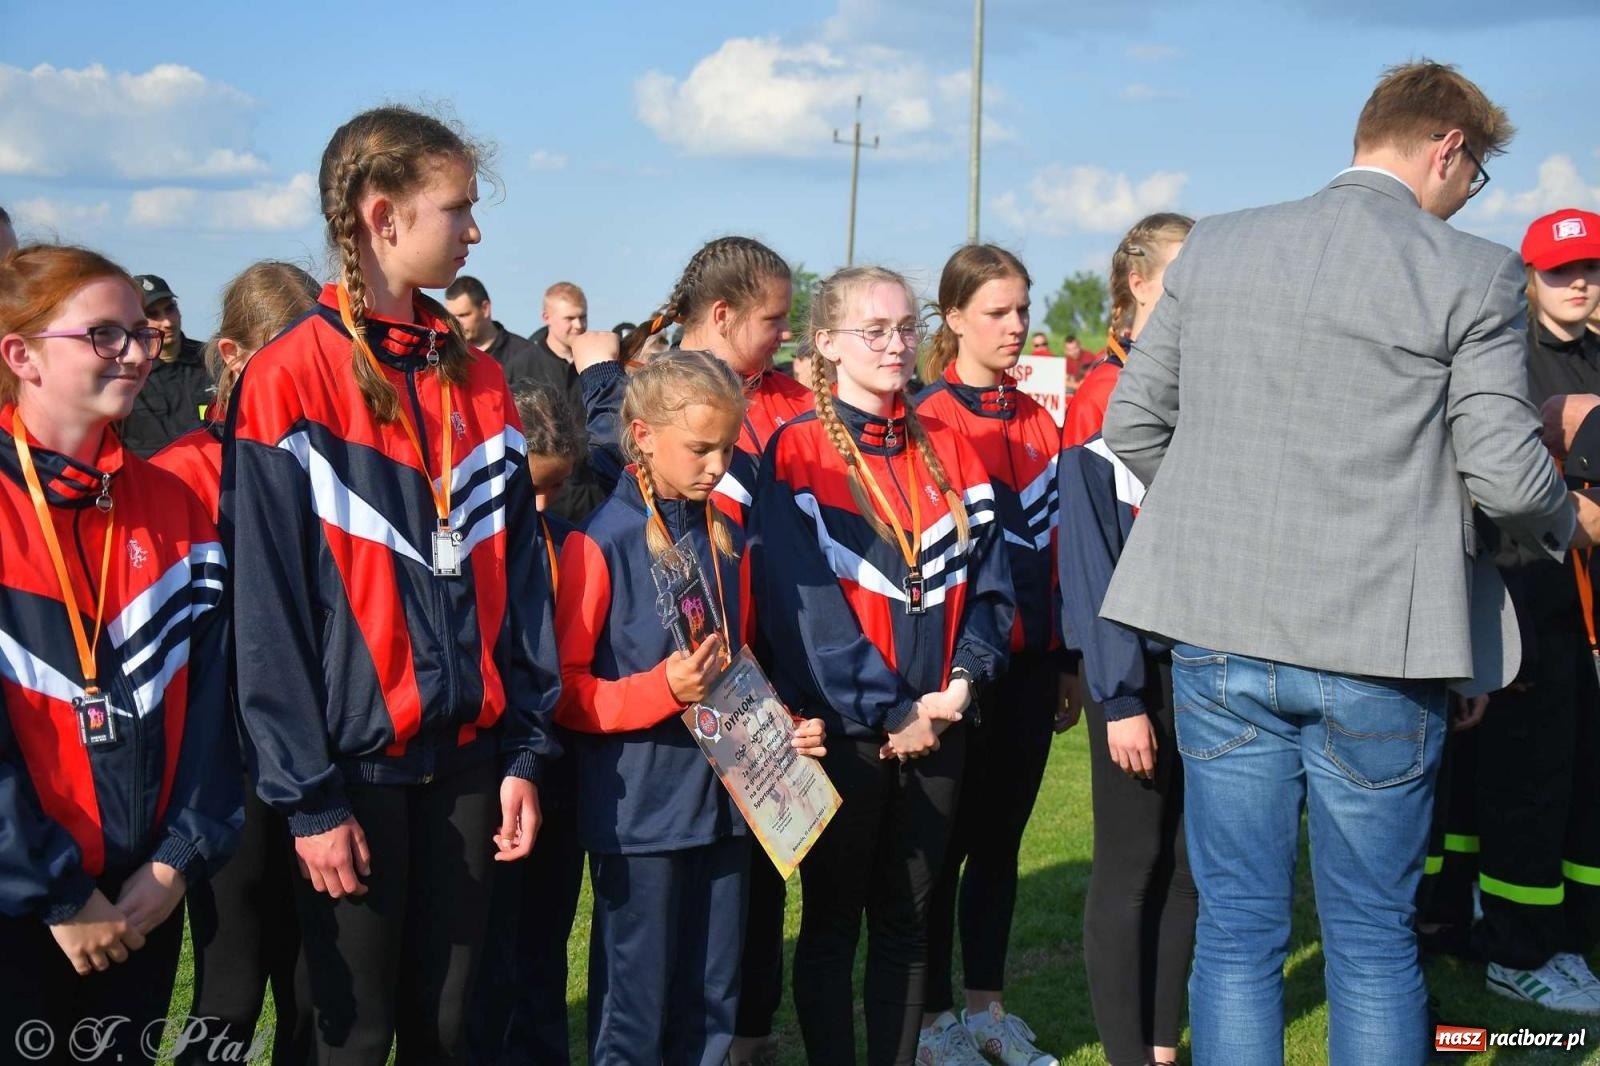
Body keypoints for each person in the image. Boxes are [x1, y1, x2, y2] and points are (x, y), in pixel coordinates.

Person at [1097, 61, 1595, 1065]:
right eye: (1473, 176)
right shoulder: (1472, 268)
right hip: (1380, 639)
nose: (1467, 199)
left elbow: (1134, 423)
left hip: (1222, 631)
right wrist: (1571, 519)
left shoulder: (1222, 246)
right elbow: (1502, 467)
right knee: (1369, 940)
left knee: (1238, 934)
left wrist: (1224, 517)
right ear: (1446, 148)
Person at [222, 105, 561, 1065]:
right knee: (350, 1037)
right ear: (383, 217)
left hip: (468, 764)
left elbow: (523, 576)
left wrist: (526, 751)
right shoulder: (288, 378)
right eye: (456, 209)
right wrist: (310, 800)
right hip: (351, 775)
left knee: (451, 1029)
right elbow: (267, 615)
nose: (474, 230)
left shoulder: (482, 382)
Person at [751, 265, 1013, 1066]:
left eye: (906, 328)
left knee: (909, 921)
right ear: (825, 343)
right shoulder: (795, 453)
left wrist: (957, 693)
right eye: (875, 331)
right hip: (846, 738)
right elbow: (804, 618)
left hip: (942, 725)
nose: (896, 345)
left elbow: (995, 591)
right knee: (834, 925)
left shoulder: (952, 443)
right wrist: (890, 709)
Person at [0, 244, 241, 1063]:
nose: (137, 352)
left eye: (140, 332)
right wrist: (62, 896)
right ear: (21, 354)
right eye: (103, 334)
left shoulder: (172, 504)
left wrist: (176, 863)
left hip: (143, 900)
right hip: (24, 907)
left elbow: (217, 704)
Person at [554, 350, 825, 1065]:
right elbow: (565, 692)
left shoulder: (724, 537)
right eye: (700, 448)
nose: (716, 464)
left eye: (728, 448)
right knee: (637, 1012)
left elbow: (738, 669)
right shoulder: (598, 545)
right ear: (641, 435)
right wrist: (659, 691)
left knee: (714, 1003)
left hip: (730, 808)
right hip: (640, 816)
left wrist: (784, 730)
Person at [151, 260, 320, 1066]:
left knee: (317, 984)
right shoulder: (181, 472)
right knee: (232, 980)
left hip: (322, 750)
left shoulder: (327, 462)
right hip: (232, 760)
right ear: (232, 356)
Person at [913, 245, 1068, 1066]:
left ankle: (986, 1012)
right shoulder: (929, 416)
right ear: (954, 319)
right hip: (961, 678)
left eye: (1022, 310)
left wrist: (1068, 660)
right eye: (997, 312)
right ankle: (933, 1023)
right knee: (944, 853)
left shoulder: (1040, 417)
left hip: (1034, 670)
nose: (1015, 326)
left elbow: (1060, 552)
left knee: (1002, 846)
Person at [1059, 215, 1198, 1066]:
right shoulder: (1102, 396)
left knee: (1191, 865)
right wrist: (1116, 696)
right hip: (1136, 681)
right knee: (1132, 865)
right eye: (1185, 274)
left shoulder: (1203, 381)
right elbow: (1091, 564)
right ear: (1139, 282)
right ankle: (1122, 1052)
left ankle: (1161, 1043)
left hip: (1211, 672)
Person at [1469, 209, 1600, 1013]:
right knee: (1527, 787)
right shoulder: (1506, 358)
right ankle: (1513, 948)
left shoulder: (1596, 354)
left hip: (1586, 612)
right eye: (1561, 271)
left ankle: (1569, 941)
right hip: (1522, 596)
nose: (1578, 282)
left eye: (1589, 267)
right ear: (1530, 277)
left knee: (1580, 786)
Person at [469, 381, 589, 1066]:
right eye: (527, 490)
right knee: (488, 952)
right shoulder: (471, 552)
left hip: (560, 772)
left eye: (555, 490)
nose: (538, 509)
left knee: (545, 941)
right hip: (490, 772)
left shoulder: (573, 545)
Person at [503, 281, 607, 521]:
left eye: (583, 317)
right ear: (547, 317)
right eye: (569, 318)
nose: (578, 326)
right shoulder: (521, 367)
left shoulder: (600, 366)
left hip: (593, 498)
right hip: (541, 502)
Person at [119, 274, 214, 457]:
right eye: (153, 314)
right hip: (150, 481)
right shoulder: (125, 372)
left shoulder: (213, 360)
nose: (167, 322)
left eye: (170, 309)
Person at [444, 274, 538, 369]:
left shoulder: (525, 354)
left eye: (463, 315)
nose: (456, 323)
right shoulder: (445, 355)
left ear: (485, 308)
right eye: (452, 317)